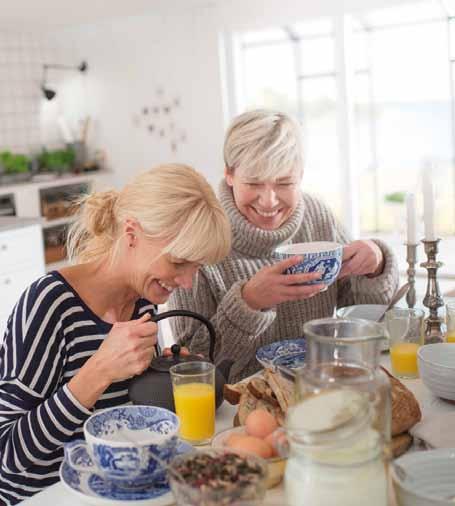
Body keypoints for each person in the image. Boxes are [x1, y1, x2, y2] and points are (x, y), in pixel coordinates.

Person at [0, 164, 231, 505]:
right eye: (179, 262)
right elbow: (8, 455)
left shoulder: (143, 303)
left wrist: (161, 374)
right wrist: (99, 371)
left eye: (196, 268)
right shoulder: (48, 303)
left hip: (117, 491)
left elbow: (125, 415)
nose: (187, 282)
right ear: (132, 233)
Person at [169, 110, 399, 382]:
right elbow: (192, 367)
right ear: (229, 174)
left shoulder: (317, 216)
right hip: (237, 406)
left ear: (300, 176)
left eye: (284, 183)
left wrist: (376, 264)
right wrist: (248, 303)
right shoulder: (199, 235)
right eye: (254, 183)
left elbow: (370, 321)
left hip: (321, 385)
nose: (269, 201)